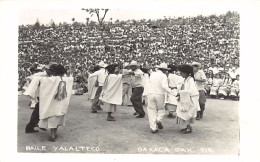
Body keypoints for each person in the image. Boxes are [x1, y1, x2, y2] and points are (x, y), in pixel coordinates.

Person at [25, 64, 73, 142]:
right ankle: (54, 133)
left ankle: (52, 135)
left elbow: (36, 78)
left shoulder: (50, 80)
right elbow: (70, 78)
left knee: (52, 118)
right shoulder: (67, 79)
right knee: (58, 117)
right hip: (60, 102)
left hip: (51, 102)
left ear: (53, 71)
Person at [24, 62, 56, 133]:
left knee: (40, 111)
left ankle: (37, 125)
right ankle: (30, 127)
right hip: (40, 95)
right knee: (38, 111)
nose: (49, 71)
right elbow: (29, 78)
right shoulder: (40, 75)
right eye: (48, 69)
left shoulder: (52, 76)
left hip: (46, 95)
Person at [147, 63, 176, 133]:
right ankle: (158, 119)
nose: (166, 71)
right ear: (163, 70)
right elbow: (164, 86)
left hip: (151, 93)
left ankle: (153, 128)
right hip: (160, 94)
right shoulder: (163, 76)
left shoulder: (152, 74)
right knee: (161, 109)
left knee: (151, 110)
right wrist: (173, 93)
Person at [175, 65, 199, 134]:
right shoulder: (185, 79)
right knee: (184, 112)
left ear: (186, 72)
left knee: (188, 113)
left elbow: (192, 91)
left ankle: (188, 127)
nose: (180, 74)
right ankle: (186, 126)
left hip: (190, 99)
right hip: (185, 98)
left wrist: (180, 93)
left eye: (181, 73)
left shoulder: (190, 79)